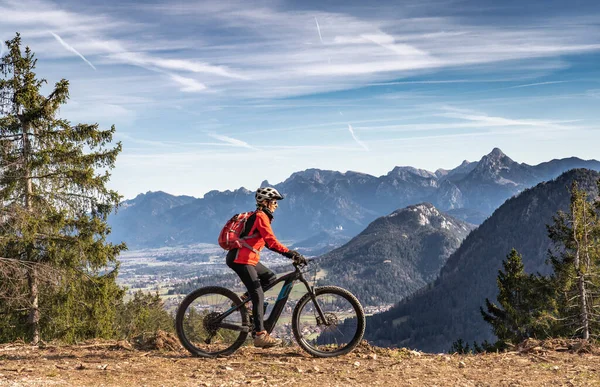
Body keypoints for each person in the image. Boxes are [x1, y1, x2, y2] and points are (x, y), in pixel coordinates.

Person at [226, 187, 306, 348]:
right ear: (265, 202)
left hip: (248, 259)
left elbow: (267, 243)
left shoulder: (262, 217)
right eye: (274, 201)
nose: (276, 205)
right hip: (240, 259)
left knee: (270, 278)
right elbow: (271, 242)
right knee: (258, 295)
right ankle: (260, 335)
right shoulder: (261, 216)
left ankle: (241, 302)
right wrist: (291, 254)